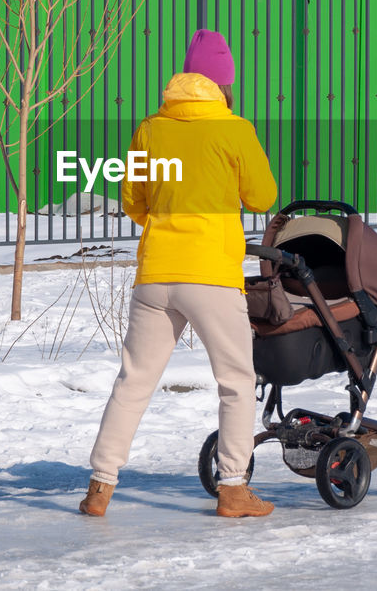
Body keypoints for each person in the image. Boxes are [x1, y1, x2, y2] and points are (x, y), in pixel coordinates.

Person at [79, 29, 278, 519]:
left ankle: (99, 489)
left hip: (155, 275)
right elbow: (263, 197)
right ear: (225, 84)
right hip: (210, 275)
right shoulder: (234, 129)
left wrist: (170, 223)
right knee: (235, 380)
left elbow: (134, 202)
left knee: (133, 381)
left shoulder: (152, 128)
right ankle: (233, 490)